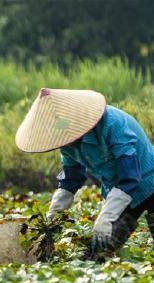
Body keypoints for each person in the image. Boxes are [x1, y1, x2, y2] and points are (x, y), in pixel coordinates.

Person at [16, 88, 154, 257]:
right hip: (120, 192)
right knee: (100, 249)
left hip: (148, 182)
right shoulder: (67, 143)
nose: (67, 141)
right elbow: (71, 179)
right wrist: (52, 218)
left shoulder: (112, 124)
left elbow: (130, 176)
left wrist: (107, 216)